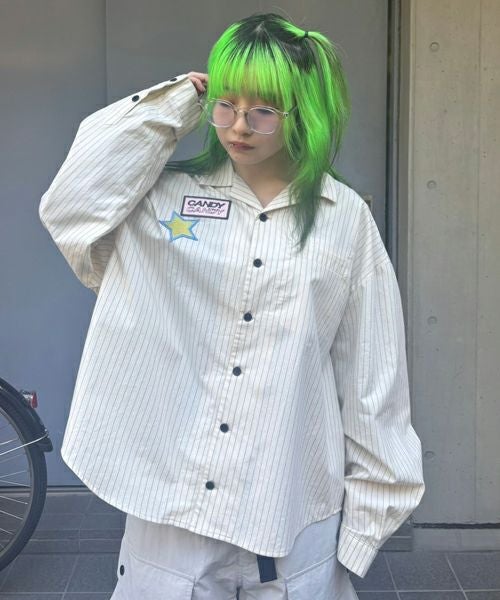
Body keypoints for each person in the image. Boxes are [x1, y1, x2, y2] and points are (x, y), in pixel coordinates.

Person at [39, 12, 425, 600]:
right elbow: (69, 207)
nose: (238, 126)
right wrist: (175, 104)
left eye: (263, 110)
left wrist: (366, 526)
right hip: (171, 515)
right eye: (226, 103)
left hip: (293, 516)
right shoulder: (162, 199)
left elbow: (372, 378)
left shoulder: (344, 219)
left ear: (305, 112)